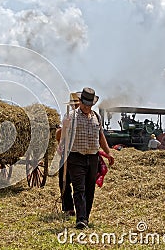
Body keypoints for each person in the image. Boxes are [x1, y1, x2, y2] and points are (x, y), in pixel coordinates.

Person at [60, 87, 114, 229]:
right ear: (80, 102)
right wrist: (62, 134)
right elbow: (61, 135)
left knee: (90, 189)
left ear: (92, 104)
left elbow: (101, 136)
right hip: (75, 156)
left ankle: (86, 217)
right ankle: (81, 219)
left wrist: (108, 152)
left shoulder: (97, 117)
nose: (86, 106)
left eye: (88, 104)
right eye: (84, 103)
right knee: (79, 188)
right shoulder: (70, 116)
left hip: (92, 158)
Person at [57, 92, 79, 216]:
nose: (74, 107)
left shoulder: (79, 117)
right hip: (67, 153)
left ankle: (78, 207)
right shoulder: (67, 116)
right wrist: (61, 146)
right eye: (73, 105)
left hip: (77, 152)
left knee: (77, 183)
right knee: (63, 181)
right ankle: (69, 208)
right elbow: (62, 135)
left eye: (75, 104)